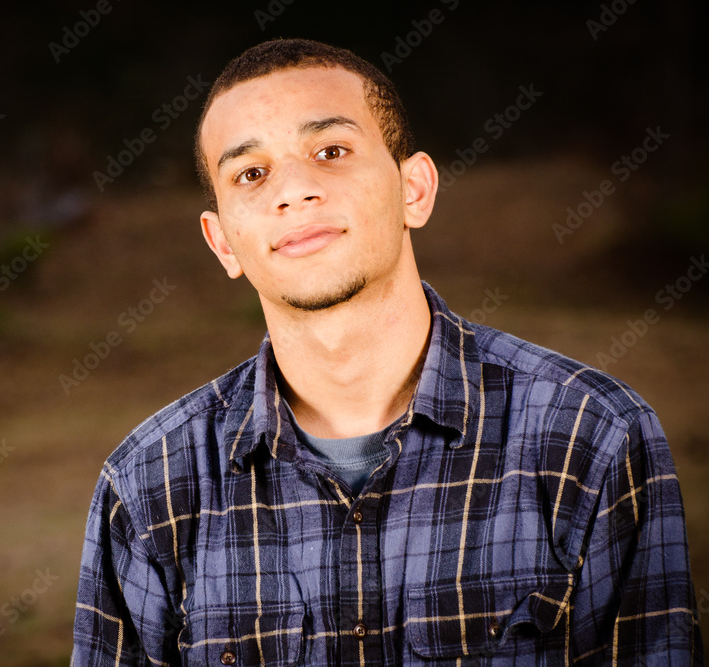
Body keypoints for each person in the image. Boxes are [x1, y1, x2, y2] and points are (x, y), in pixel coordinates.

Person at [72, 38, 703, 665]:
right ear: (223, 243)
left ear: (415, 190)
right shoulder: (149, 485)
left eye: (331, 151)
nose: (293, 191)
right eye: (252, 173)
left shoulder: (592, 438)